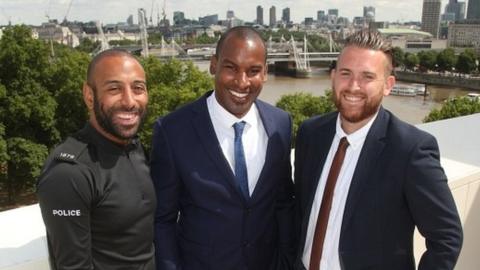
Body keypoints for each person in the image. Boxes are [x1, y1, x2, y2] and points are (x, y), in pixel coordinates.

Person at [294, 30, 463, 270]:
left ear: (388, 85)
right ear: (333, 76)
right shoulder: (311, 134)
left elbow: (447, 237)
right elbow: (300, 212)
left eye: (367, 77)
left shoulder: (410, 149)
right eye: (346, 73)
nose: (353, 86)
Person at [151, 26, 295, 270]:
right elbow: (162, 221)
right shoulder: (173, 131)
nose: (242, 82)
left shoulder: (281, 124)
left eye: (253, 71)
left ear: (265, 73)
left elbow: (282, 203)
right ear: (213, 65)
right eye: (231, 68)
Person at [37, 49, 156, 270]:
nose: (129, 101)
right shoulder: (69, 173)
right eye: (114, 88)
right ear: (89, 95)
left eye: (138, 88)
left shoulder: (135, 148)